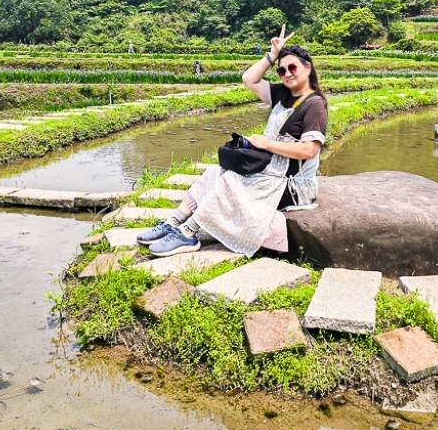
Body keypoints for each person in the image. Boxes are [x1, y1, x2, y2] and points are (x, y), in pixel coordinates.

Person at [137, 26, 328, 257]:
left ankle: (189, 232)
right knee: (214, 173)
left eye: (293, 67)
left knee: (231, 180)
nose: (287, 73)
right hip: (271, 170)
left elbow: (309, 150)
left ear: (307, 68)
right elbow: (248, 79)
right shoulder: (283, 94)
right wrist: (272, 55)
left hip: (292, 183)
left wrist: (267, 144)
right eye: (282, 70)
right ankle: (173, 221)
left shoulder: (314, 104)